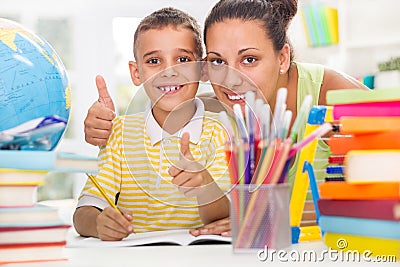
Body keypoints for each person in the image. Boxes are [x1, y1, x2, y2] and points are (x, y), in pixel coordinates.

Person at [83, 0, 368, 237]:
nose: (232, 79)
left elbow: (388, 199)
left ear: (282, 58)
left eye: (249, 60)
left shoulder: (333, 95)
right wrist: (102, 126)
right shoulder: (215, 112)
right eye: (219, 61)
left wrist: (261, 222)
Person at [73, 7, 230, 241]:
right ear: (136, 73)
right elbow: (83, 212)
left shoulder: (222, 132)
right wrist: (99, 223)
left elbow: (226, 217)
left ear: (203, 69)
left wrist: (204, 185)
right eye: (154, 61)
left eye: (183, 59)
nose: (169, 71)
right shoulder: (120, 135)